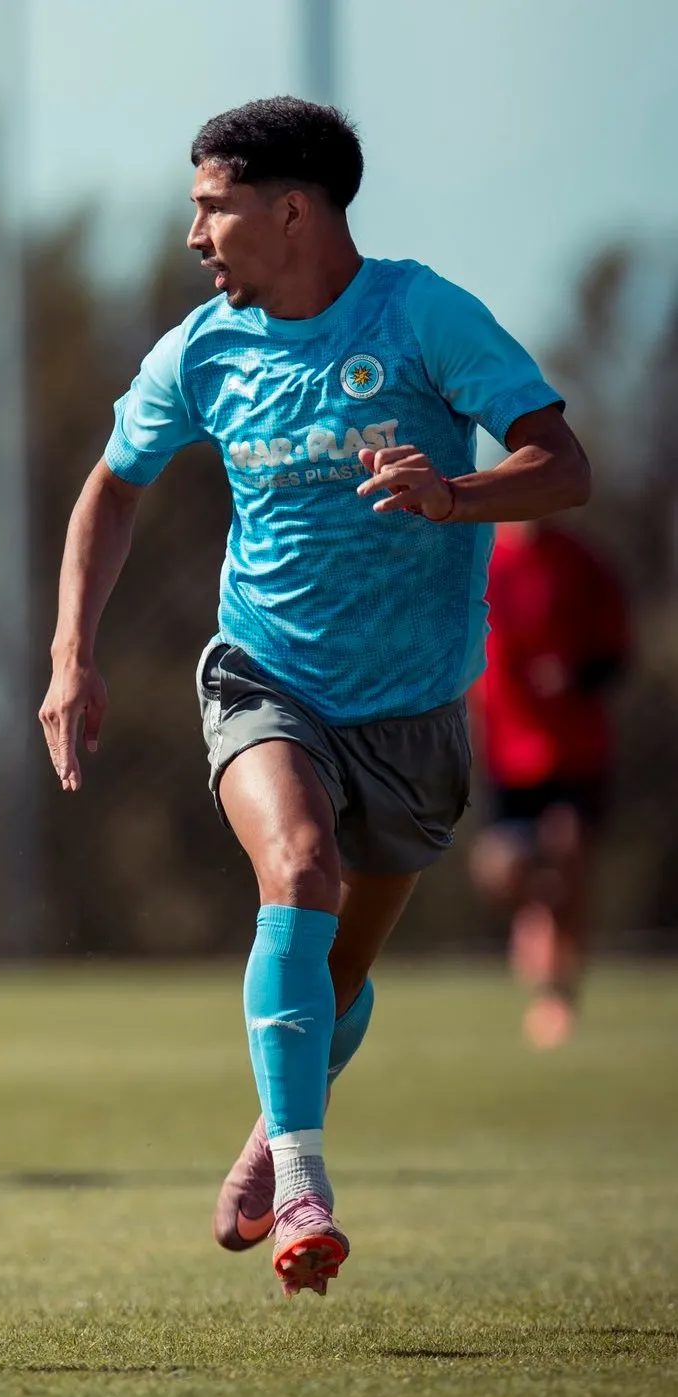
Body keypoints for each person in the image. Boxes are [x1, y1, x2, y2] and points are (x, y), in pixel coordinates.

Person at [38, 98, 590, 1296]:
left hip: (417, 713)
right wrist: (72, 652)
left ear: (292, 210)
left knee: (338, 978)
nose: (193, 236)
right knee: (298, 873)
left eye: (210, 207)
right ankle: (301, 1180)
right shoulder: (202, 350)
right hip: (264, 674)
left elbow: (562, 466)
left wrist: (451, 495)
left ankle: (269, 1129)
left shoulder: (421, 315)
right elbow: (111, 488)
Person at [468, 521, 630, 1050]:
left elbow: (617, 646)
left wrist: (576, 676)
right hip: (508, 755)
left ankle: (559, 993)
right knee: (503, 868)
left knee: (570, 852)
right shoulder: (479, 562)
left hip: (575, 749)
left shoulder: (580, 559)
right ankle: (534, 915)